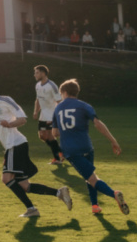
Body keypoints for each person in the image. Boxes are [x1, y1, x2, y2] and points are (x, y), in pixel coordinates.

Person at [0, 76, 72, 218]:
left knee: (6, 178)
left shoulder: (5, 101)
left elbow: (22, 119)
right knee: (24, 185)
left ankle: (31, 209)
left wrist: (10, 124)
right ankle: (59, 193)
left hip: (16, 144)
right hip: (11, 147)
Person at [52, 79, 129, 216]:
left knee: (92, 179)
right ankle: (95, 206)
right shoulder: (84, 105)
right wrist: (113, 141)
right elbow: (98, 124)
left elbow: (55, 133)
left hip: (71, 150)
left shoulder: (57, 108)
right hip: (86, 147)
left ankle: (114, 194)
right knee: (90, 177)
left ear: (64, 92)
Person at [32, 65, 66, 165]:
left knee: (50, 136)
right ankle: (61, 152)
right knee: (42, 136)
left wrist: (56, 117)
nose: (35, 75)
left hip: (52, 115)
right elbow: (38, 99)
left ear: (43, 73)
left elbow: (59, 102)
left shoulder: (52, 86)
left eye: (37, 73)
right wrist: (35, 112)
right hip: (43, 114)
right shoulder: (38, 85)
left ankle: (57, 159)